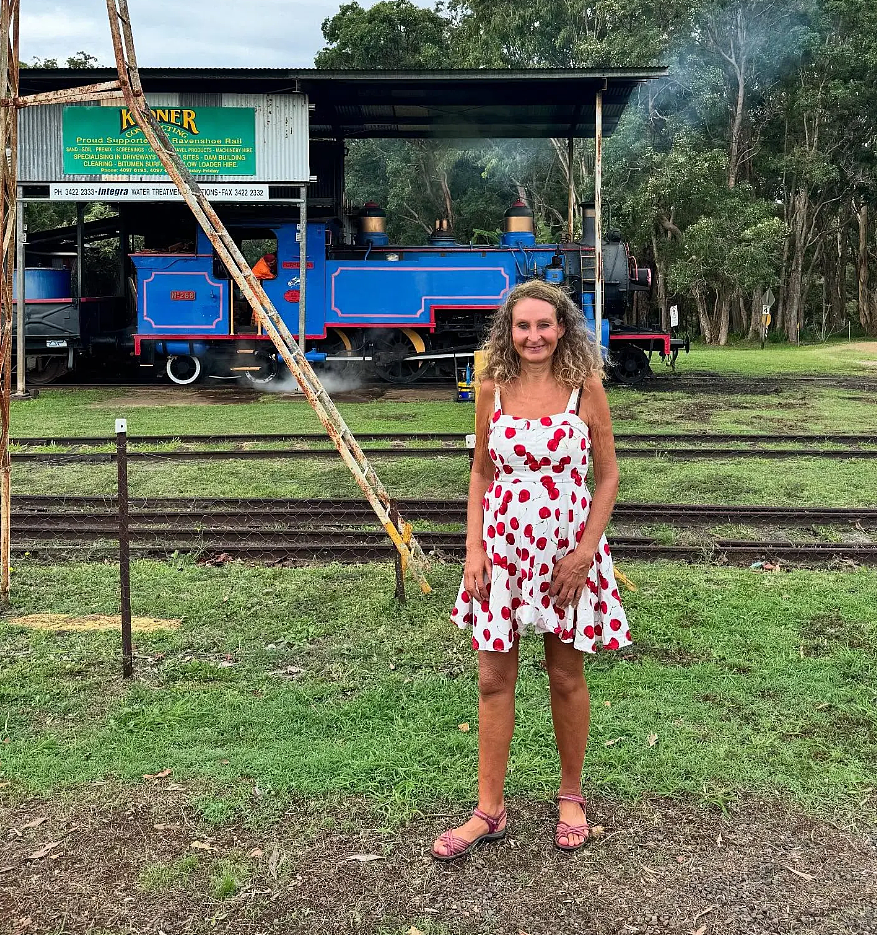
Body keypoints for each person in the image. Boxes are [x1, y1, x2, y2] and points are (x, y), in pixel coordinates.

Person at [433, 279, 630, 861]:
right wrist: (473, 551)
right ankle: (488, 811)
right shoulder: (492, 385)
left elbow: (609, 476)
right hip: (502, 551)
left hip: (567, 553)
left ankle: (571, 796)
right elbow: (480, 473)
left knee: (565, 676)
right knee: (493, 679)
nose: (534, 335)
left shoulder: (583, 386)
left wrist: (585, 554)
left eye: (545, 325)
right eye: (523, 326)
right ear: (508, 331)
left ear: (563, 328)